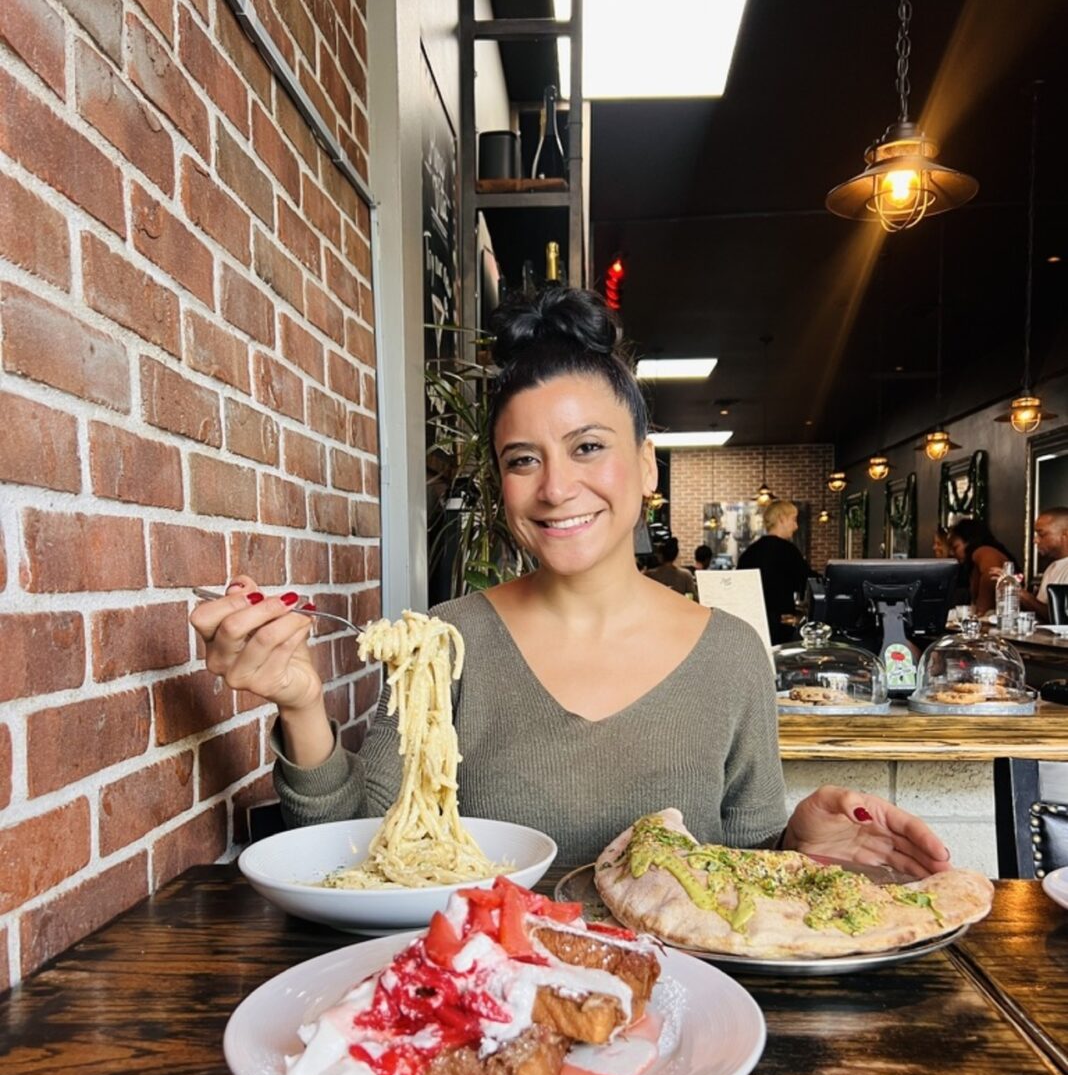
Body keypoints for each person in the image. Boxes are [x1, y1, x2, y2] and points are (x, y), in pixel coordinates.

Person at [191, 286, 948, 877]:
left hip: (680, 1009)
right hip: (488, 1004)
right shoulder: (445, 642)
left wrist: (792, 851)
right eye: (524, 460)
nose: (556, 488)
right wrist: (301, 704)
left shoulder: (729, 653)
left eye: (588, 447)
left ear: (646, 465)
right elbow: (359, 851)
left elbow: (740, 870)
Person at [736, 498, 811, 646]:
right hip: (782, 627)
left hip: (752, 627)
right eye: (793, 520)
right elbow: (807, 583)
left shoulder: (749, 553)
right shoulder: (789, 551)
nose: (796, 526)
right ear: (781, 519)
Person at [946, 518, 1012, 617]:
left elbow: (990, 576)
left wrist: (981, 611)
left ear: (969, 542)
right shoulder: (974, 563)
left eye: (955, 547)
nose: (951, 553)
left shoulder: (983, 552)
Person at [1017, 507, 1068, 623]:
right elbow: (1041, 615)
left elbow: (1062, 619)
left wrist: (1023, 595)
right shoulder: (1051, 568)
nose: (1035, 540)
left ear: (1065, 535)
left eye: (1042, 534)